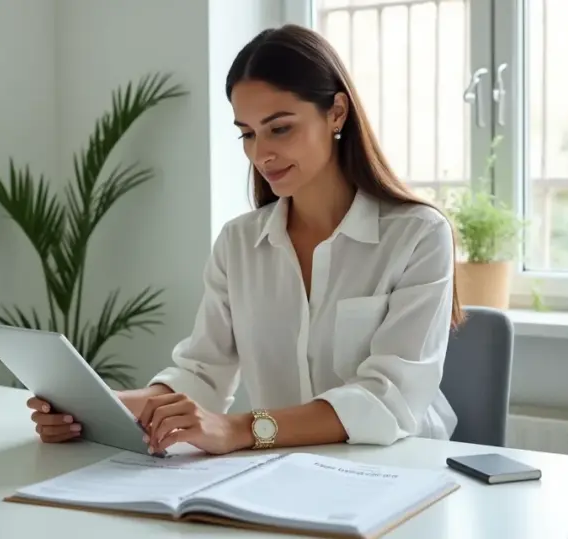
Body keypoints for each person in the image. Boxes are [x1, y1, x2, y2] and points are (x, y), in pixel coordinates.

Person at [27, 23, 463, 456]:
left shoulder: (419, 235)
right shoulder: (239, 243)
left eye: (280, 128)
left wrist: (239, 429)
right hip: (280, 474)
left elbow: (389, 399)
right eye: (248, 133)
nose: (261, 154)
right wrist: (99, 410)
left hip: (403, 473)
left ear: (336, 113)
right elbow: (202, 373)